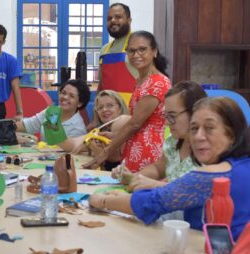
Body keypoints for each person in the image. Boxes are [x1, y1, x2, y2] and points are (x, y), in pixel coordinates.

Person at [89, 97, 250, 241]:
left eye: (209, 128)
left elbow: (152, 203)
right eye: (194, 129)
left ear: (232, 134)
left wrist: (103, 201)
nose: (198, 136)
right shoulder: (243, 165)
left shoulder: (212, 176)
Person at [84, 30, 171, 172]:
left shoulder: (158, 82)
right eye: (131, 51)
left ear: (154, 51)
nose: (136, 55)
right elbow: (141, 123)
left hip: (147, 152)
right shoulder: (141, 80)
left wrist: (105, 153)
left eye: (142, 49)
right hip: (135, 148)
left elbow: (135, 123)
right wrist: (115, 136)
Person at [113, 81, 207, 191]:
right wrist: (134, 177)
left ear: (194, 112)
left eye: (172, 116)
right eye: (165, 116)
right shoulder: (173, 141)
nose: (167, 122)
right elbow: (158, 168)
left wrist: (155, 185)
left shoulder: (207, 151)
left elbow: (197, 191)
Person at [57, 89, 131, 171]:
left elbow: (114, 158)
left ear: (120, 108)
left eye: (110, 105)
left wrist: (90, 143)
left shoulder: (123, 120)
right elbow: (73, 145)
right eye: (100, 107)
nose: (104, 110)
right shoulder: (100, 130)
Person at [15, 79, 90, 139]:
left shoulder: (78, 129)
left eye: (72, 96)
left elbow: (69, 152)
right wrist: (6, 127)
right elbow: (28, 125)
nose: (65, 97)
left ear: (80, 103)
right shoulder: (52, 111)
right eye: (63, 93)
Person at [97, 3, 137, 100]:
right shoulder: (104, 50)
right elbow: (101, 86)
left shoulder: (138, 44)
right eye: (109, 18)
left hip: (133, 112)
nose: (113, 21)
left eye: (118, 17)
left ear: (129, 20)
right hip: (108, 112)